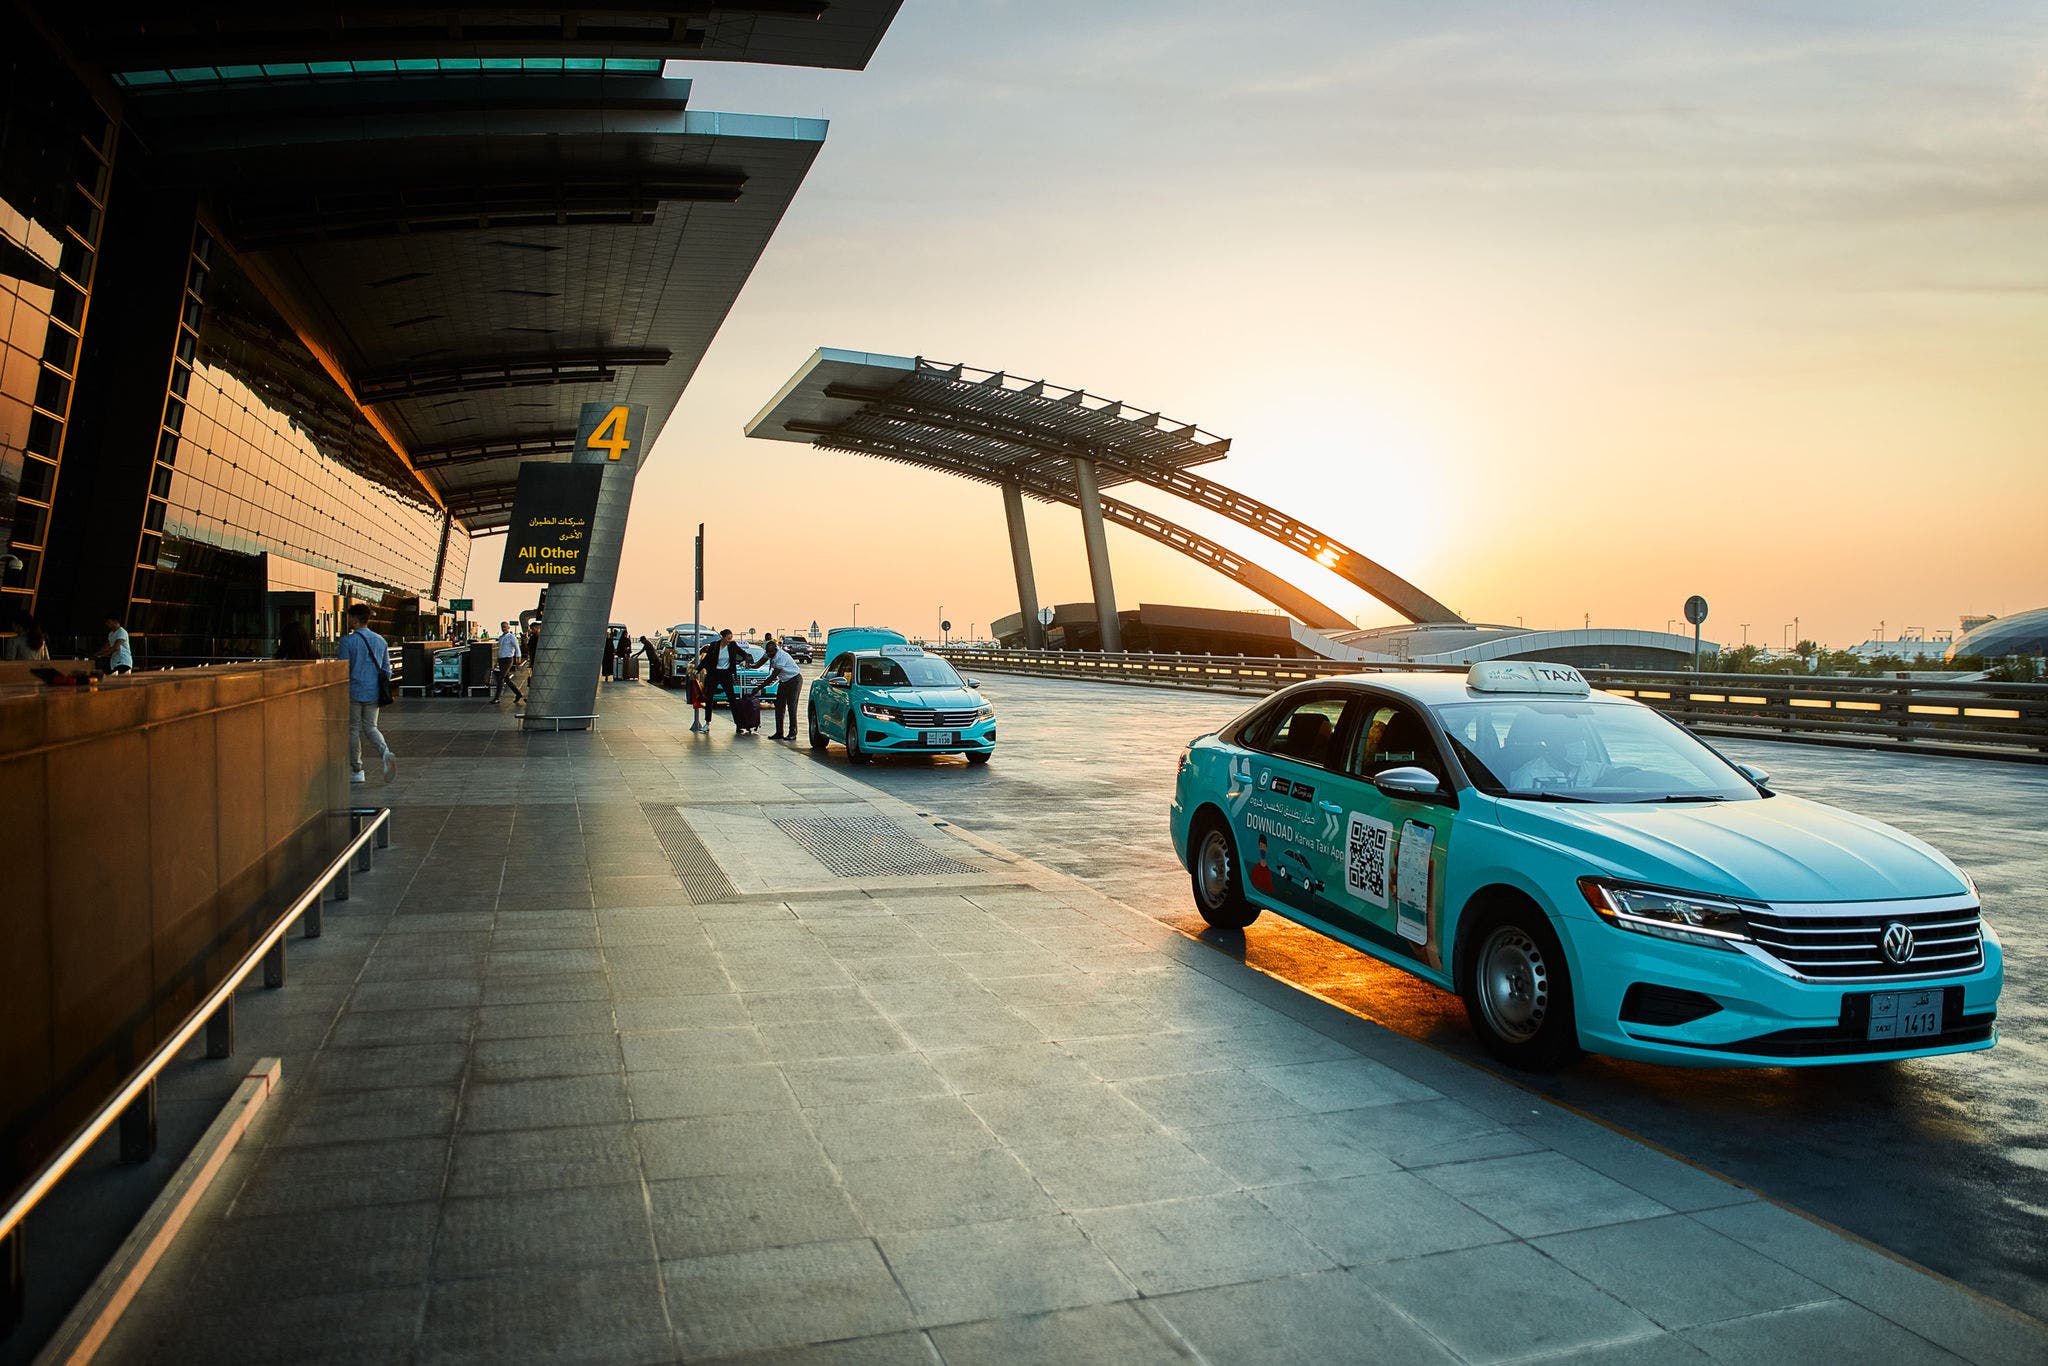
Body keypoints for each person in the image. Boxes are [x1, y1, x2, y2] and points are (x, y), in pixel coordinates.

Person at [337, 602, 396, 784]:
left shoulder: (347, 641)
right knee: (371, 727)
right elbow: (387, 670)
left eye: (349, 617)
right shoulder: (380, 640)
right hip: (374, 692)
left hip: (353, 691)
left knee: (353, 729)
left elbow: (342, 668)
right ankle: (385, 752)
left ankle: (357, 770)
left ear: (355, 619)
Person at [750, 633, 804, 741]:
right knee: (779, 706)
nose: (768, 654)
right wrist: (749, 665)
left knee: (791, 706)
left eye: (771, 653)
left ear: (775, 650)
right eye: (767, 652)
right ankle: (779, 732)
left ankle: (793, 733)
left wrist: (759, 687)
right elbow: (758, 664)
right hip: (784, 681)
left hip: (794, 680)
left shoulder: (781, 656)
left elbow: (773, 676)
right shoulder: (769, 653)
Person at [702, 628, 748, 729]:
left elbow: (744, 654)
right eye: (728, 638)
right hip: (714, 674)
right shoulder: (714, 645)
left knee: (732, 699)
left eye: (731, 638)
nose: (729, 640)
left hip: (726, 674)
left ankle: (738, 725)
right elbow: (706, 659)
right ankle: (707, 723)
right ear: (722, 637)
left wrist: (744, 660)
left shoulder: (733, 645)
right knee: (709, 698)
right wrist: (696, 670)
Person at [493, 620, 525, 704]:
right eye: (502, 627)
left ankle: (497, 698)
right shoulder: (501, 638)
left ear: (508, 627)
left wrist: (518, 661)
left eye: (505, 627)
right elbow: (500, 650)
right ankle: (518, 694)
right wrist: (496, 661)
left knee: (500, 678)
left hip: (508, 659)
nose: (503, 628)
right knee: (506, 679)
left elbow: (517, 649)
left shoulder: (511, 637)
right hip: (501, 659)